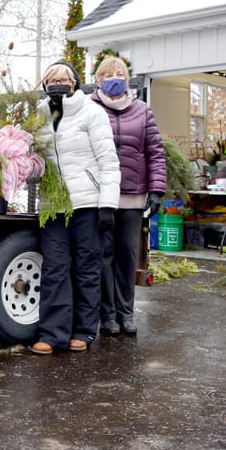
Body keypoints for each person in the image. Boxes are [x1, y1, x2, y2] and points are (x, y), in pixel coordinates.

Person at [31, 61, 120, 354]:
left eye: (63, 78)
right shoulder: (39, 118)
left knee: (86, 268)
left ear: (76, 82)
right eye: (51, 78)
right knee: (54, 268)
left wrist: (108, 204)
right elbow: (34, 160)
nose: (57, 82)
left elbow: (108, 160)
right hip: (53, 205)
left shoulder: (92, 113)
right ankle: (52, 333)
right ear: (44, 85)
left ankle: (83, 330)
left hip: (87, 204)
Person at [91, 56, 166, 335]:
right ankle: (107, 315)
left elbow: (155, 152)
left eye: (120, 73)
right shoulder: (91, 109)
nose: (115, 78)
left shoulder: (142, 111)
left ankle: (126, 313)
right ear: (98, 80)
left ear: (128, 79)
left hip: (133, 196)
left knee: (127, 254)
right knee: (103, 255)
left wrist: (157, 189)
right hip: (101, 198)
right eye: (108, 74)